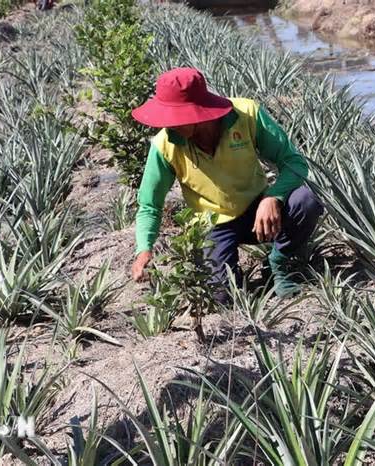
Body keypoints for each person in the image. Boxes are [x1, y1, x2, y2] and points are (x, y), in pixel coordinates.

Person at [130, 67, 323, 300]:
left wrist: (273, 197)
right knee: (222, 297)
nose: (168, 124)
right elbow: (150, 205)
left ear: (197, 112)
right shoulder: (165, 145)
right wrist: (144, 249)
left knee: (305, 201)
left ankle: (279, 264)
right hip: (212, 224)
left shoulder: (246, 114)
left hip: (257, 210)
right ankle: (230, 273)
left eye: (175, 118)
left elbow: (294, 162)